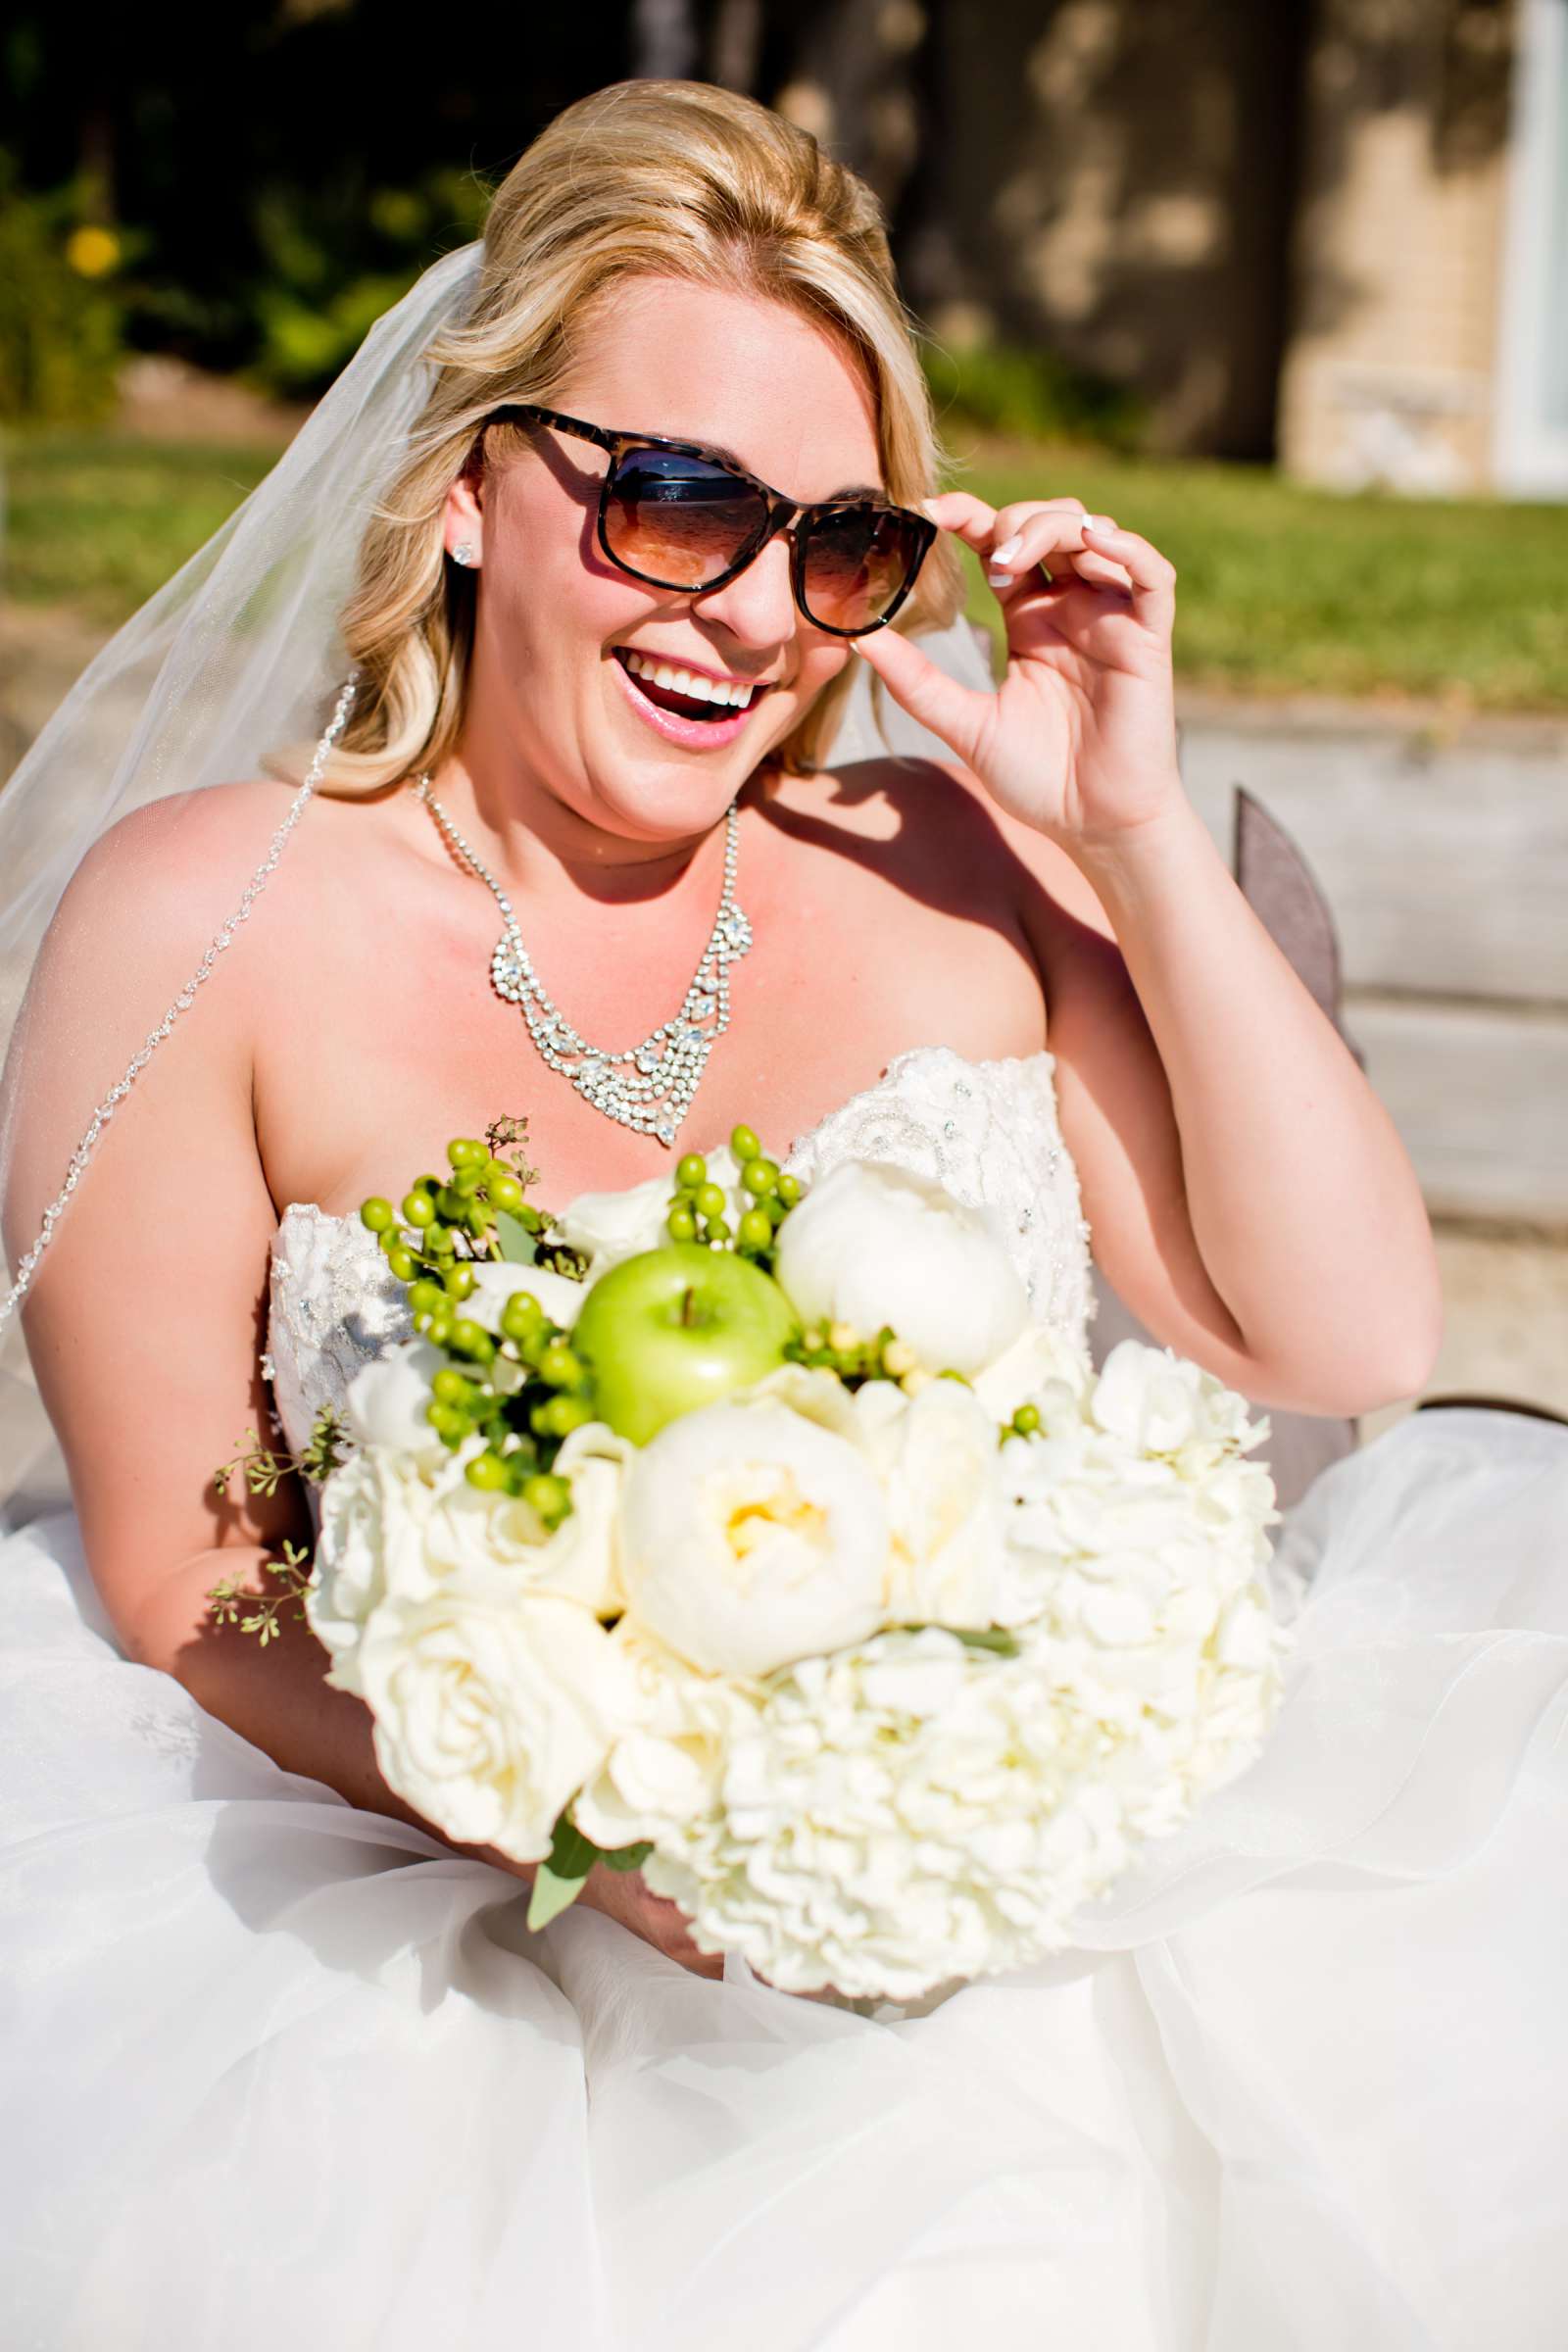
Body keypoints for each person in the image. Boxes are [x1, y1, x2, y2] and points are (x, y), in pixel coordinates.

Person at [0, 78, 1563, 2351]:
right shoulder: (212, 918)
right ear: (462, 491)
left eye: (835, 547)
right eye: (671, 503)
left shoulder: (941, 873)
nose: (746, 614)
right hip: (442, 1959)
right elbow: (179, 1569)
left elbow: (1337, 1344)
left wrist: (1116, 833)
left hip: (1039, 1935)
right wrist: (581, 1802)